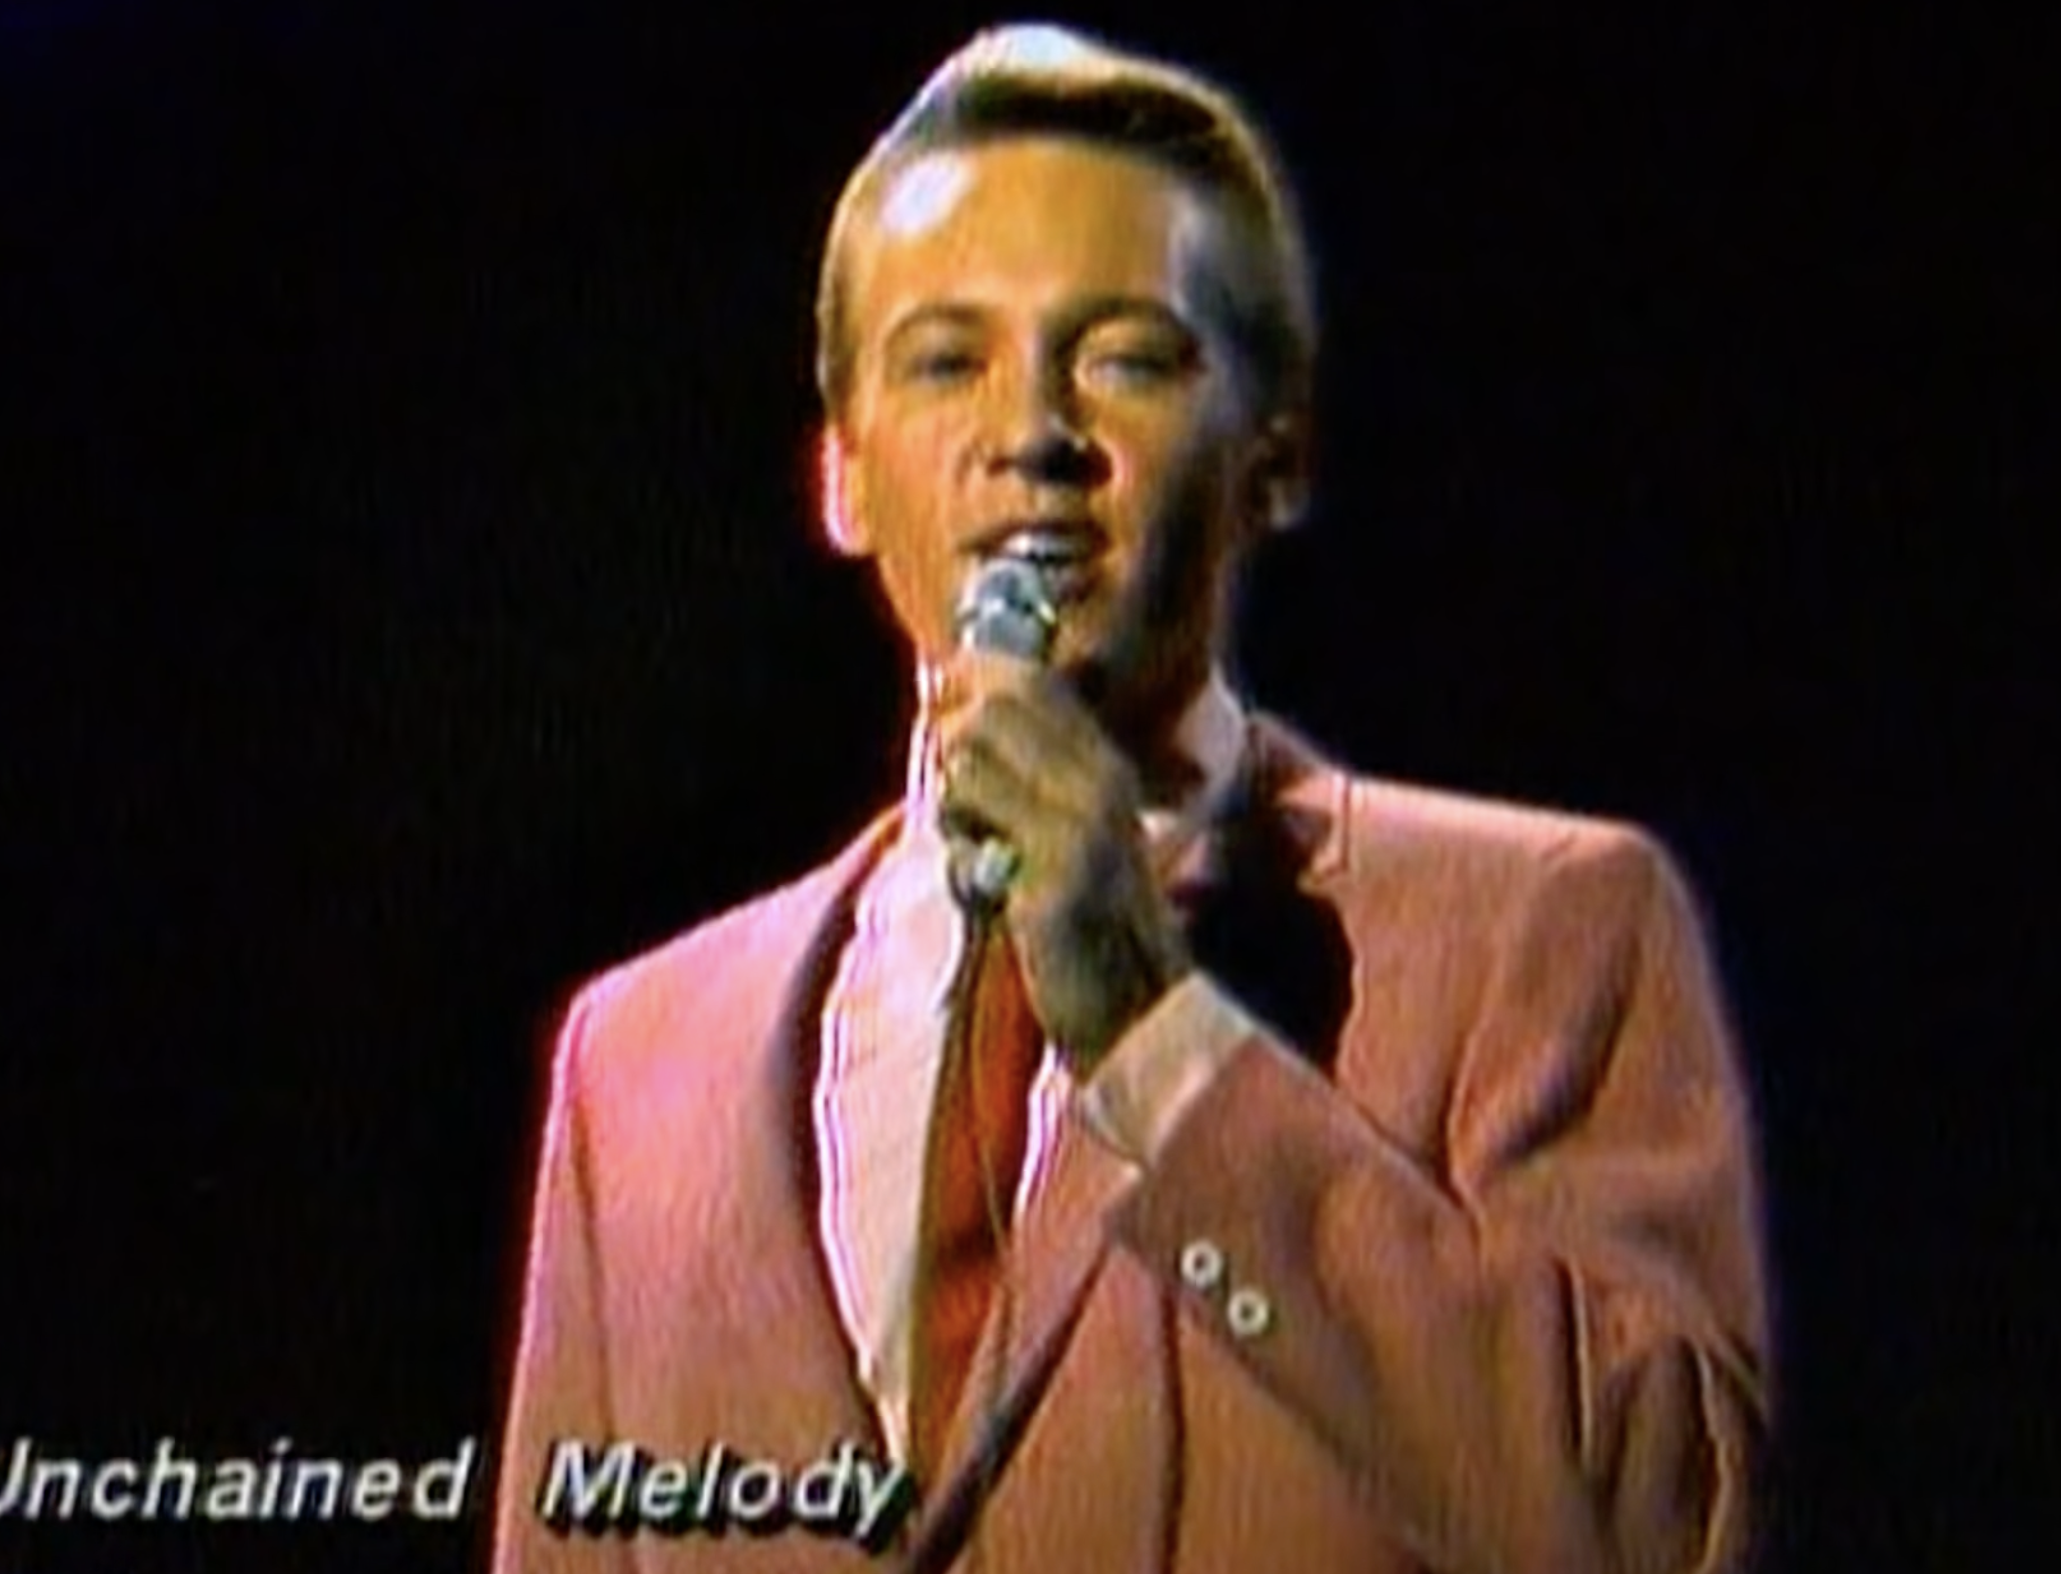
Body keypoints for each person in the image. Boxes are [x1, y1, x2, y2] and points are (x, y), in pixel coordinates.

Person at [491, 22, 1770, 1574]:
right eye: (948, 359)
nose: (1031, 437)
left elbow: (1655, 1523)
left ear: (1271, 457)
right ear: (840, 472)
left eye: (1125, 358)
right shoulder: (641, 1060)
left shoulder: (1539, 934)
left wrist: (1157, 1037)